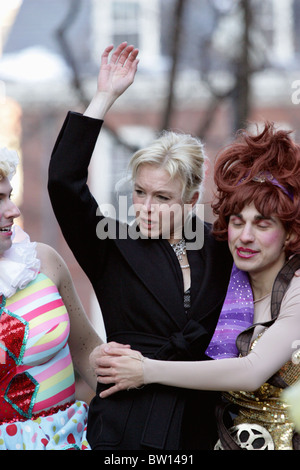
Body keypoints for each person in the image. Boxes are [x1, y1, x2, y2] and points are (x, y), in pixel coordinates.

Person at [48, 42, 233, 450]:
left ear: (190, 199)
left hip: (203, 422)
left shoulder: (222, 249)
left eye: (162, 197)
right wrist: (105, 96)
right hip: (126, 424)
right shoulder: (112, 243)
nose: (145, 207)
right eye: (139, 192)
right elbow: (64, 181)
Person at [92, 122, 300, 450]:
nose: (246, 236)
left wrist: (146, 370)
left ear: (289, 233)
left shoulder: (297, 289)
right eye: (236, 222)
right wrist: (102, 354)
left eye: (262, 224)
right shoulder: (225, 277)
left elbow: (249, 371)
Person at [0, 147, 103, 450]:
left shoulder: (44, 261)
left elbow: (86, 351)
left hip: (67, 439)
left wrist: (148, 414)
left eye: (9, 195)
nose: (13, 210)